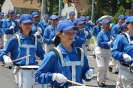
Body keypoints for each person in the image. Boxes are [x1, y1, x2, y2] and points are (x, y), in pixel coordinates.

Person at [35, 19, 93, 87]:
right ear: (59, 34)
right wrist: (53, 76)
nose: (71, 35)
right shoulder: (53, 55)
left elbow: (85, 73)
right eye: (67, 33)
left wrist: (88, 74)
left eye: (73, 32)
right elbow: (38, 76)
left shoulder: (80, 53)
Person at [0, 14, 46, 87]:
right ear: (20, 24)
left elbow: (41, 53)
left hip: (33, 71)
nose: (28, 26)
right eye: (25, 23)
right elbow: (2, 53)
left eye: (30, 23)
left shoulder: (34, 39)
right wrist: (5, 57)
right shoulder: (14, 39)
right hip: (18, 72)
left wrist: (48, 59)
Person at [111, 16, 133, 88]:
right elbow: (114, 52)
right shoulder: (122, 37)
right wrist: (123, 55)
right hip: (126, 68)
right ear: (127, 25)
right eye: (132, 23)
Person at [95, 19, 111, 87]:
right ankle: (99, 80)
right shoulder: (100, 33)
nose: (108, 25)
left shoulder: (109, 33)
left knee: (105, 67)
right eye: (107, 24)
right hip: (101, 50)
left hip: (107, 50)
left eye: (109, 24)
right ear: (103, 25)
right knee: (102, 67)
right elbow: (99, 43)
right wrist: (107, 43)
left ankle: (103, 81)